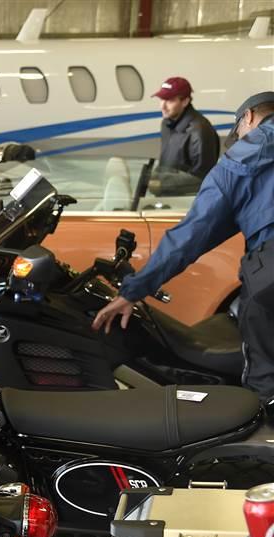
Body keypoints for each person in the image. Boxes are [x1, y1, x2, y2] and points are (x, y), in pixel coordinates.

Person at [94, 92, 274, 398]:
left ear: (249, 118)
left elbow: (192, 235)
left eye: (239, 133)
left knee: (265, 379)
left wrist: (133, 291)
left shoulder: (241, 160)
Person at [154, 76, 220, 181]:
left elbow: (200, 178)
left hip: (184, 196)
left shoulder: (200, 130)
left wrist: (162, 185)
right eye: (162, 99)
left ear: (185, 101)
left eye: (170, 101)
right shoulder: (166, 124)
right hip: (166, 193)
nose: (162, 106)